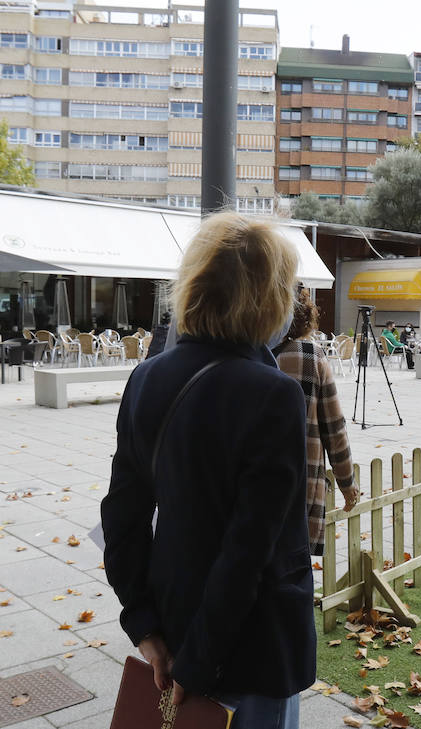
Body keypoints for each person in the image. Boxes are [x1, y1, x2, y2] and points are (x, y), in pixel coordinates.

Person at [101, 213, 316, 727]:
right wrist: (200, 662)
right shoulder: (274, 393)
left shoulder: (146, 377)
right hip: (252, 644)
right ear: (270, 297)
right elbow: (249, 548)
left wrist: (144, 625)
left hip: (171, 622)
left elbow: (121, 517)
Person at [275, 284, 361, 553]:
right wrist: (347, 483)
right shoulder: (308, 355)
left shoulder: (247, 354)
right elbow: (334, 427)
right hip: (301, 484)